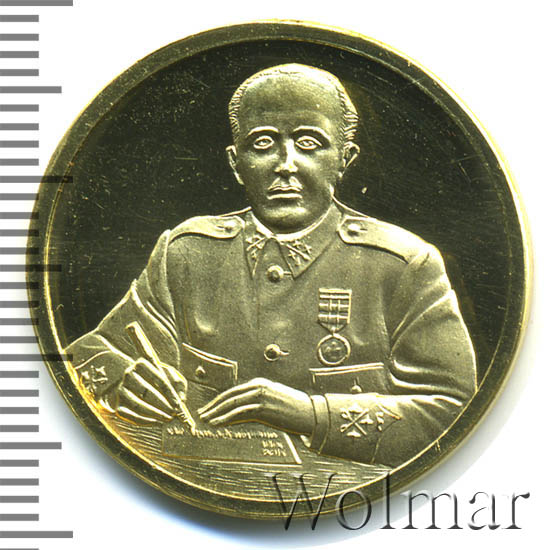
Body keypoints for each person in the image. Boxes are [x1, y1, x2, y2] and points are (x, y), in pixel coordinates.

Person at [67, 63, 476, 467]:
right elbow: (87, 353)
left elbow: (452, 409)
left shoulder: (403, 265)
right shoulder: (187, 252)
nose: (286, 164)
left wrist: (311, 415)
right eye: (262, 143)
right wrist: (122, 378)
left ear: (345, 159)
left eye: (309, 143)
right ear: (236, 162)